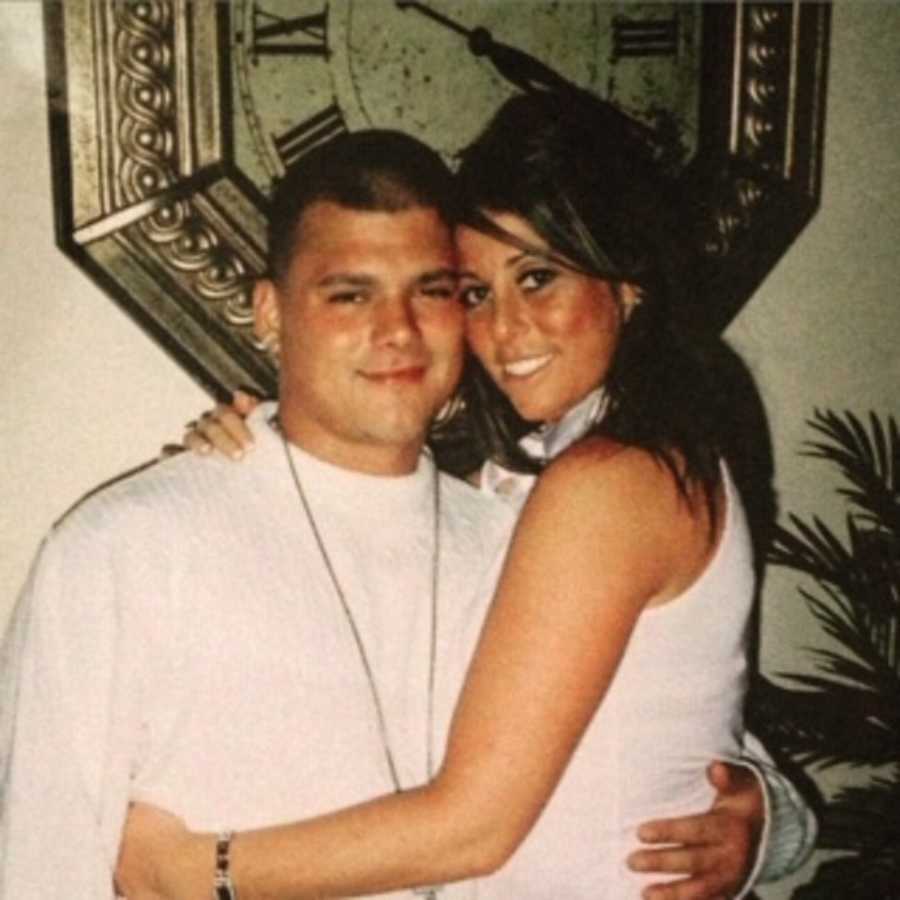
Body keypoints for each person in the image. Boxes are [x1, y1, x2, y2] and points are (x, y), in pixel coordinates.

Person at [110, 94, 815, 900]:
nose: (505, 331)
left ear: (629, 285)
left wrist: (190, 874)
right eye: (475, 293)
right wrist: (252, 461)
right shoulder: (559, 472)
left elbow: (476, 827)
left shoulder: (610, 483)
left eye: (538, 278)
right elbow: (640, 714)